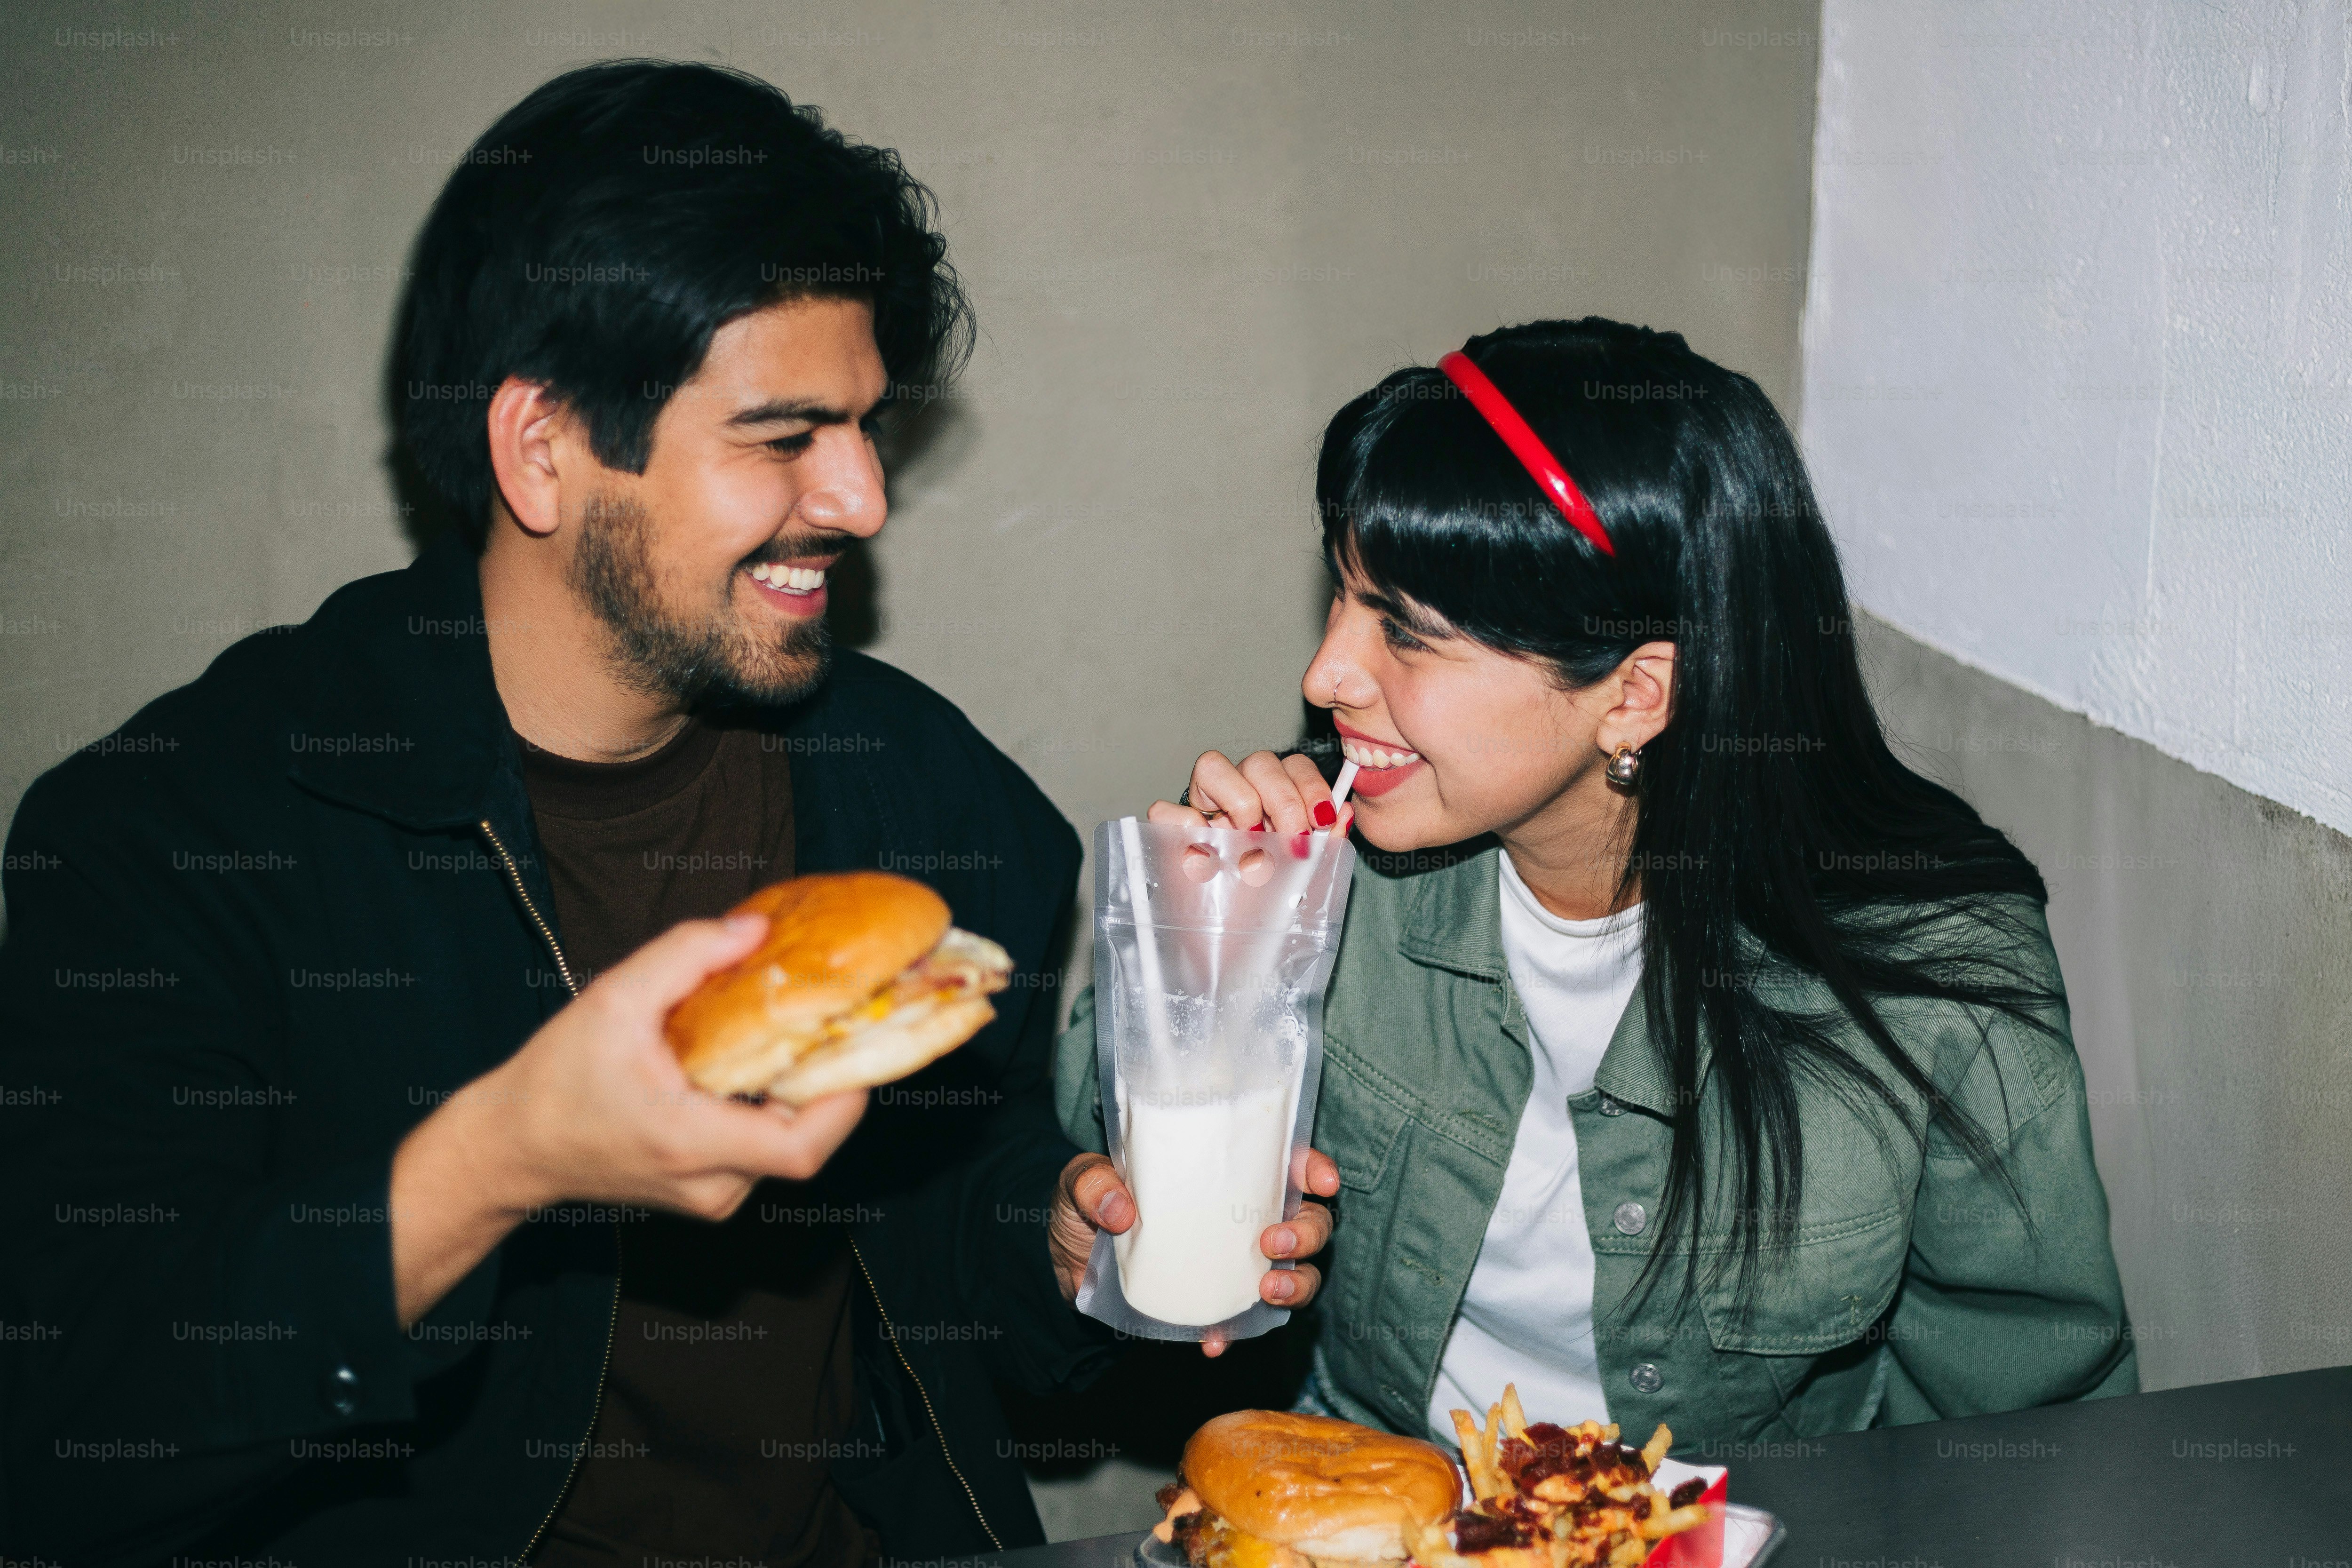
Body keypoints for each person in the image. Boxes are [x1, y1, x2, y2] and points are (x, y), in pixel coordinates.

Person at [0, 61, 1331, 1567]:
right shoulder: (177, 838)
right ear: (543, 447)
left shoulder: (920, 790)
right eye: (783, 436)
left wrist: (1069, 1235)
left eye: (866, 425)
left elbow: (960, 1205)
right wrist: (504, 1155)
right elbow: (71, 1419)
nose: (863, 497)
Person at [1056, 318, 2136, 1452]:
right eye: (1343, 593)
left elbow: (2029, 1416)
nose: (1324, 672)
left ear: (1634, 694)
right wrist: (1207, 950)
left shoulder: (1933, 973)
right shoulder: (1320, 874)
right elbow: (1093, 1169)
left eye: (1407, 632)